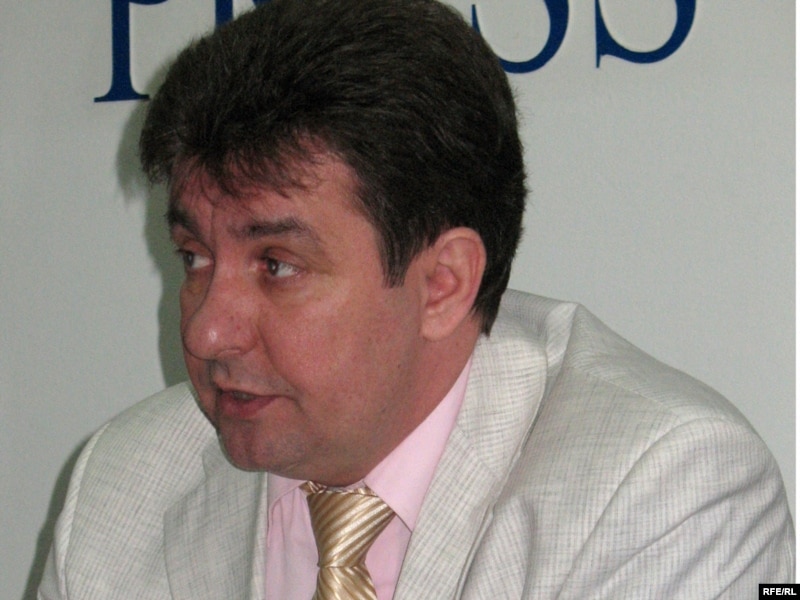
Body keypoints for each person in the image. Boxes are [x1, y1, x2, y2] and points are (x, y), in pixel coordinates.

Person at [39, 0, 793, 597]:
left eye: (276, 265)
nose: (207, 331)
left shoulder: (665, 486)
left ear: (443, 284)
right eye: (195, 257)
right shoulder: (122, 486)